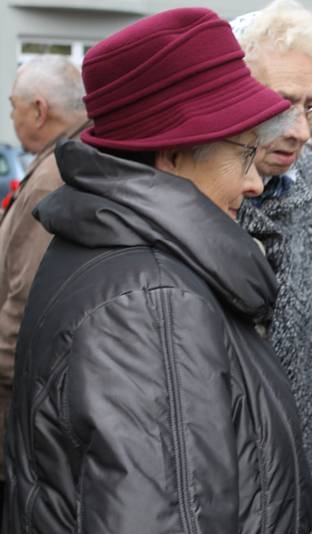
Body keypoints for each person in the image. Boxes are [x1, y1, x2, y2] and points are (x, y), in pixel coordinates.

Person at [3, 8, 312, 533]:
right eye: (244, 155)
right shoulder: (154, 302)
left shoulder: (121, 250)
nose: (256, 184)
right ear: (171, 156)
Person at [231, 3, 312, 530]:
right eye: (279, 104)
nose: (300, 131)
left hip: (301, 439)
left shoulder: (307, 178)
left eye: (311, 106)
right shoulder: (195, 188)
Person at [0, 56, 86, 520]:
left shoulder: (53, 177)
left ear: (37, 109)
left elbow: (27, 309)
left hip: (18, 409)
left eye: (12, 105)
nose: (10, 115)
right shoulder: (67, 160)